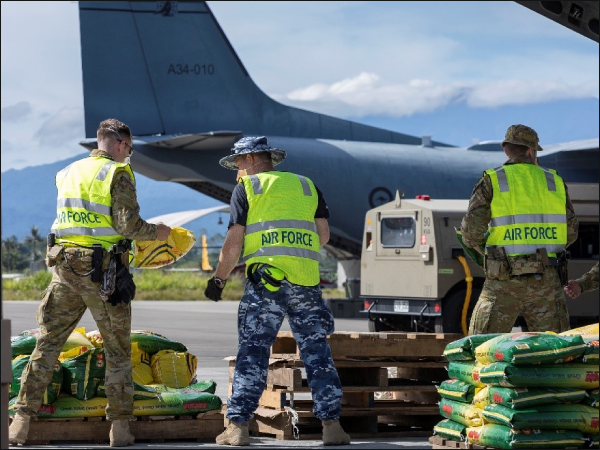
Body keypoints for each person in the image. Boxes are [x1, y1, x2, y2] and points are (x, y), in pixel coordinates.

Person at [9, 118, 171, 447]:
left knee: (47, 346)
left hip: (65, 269)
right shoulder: (118, 173)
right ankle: (120, 430)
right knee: (117, 352)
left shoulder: (67, 173)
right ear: (123, 144)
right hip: (104, 274)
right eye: (129, 149)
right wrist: (159, 233)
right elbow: (127, 225)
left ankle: (21, 422)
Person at [204, 136, 350, 447]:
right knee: (317, 353)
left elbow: (234, 242)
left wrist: (219, 279)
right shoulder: (306, 186)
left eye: (239, 163)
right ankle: (332, 427)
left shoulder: (249, 188)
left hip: (266, 284)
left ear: (253, 159)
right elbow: (322, 235)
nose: (237, 171)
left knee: (253, 353)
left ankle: (238, 428)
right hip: (306, 283)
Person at [461, 124, 578, 335]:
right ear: (531, 150)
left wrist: (488, 253)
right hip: (546, 280)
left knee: (482, 348)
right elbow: (571, 231)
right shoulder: (554, 180)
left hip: (503, 280)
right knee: (554, 349)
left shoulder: (493, 179)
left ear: (506, 149)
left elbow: (470, 233)